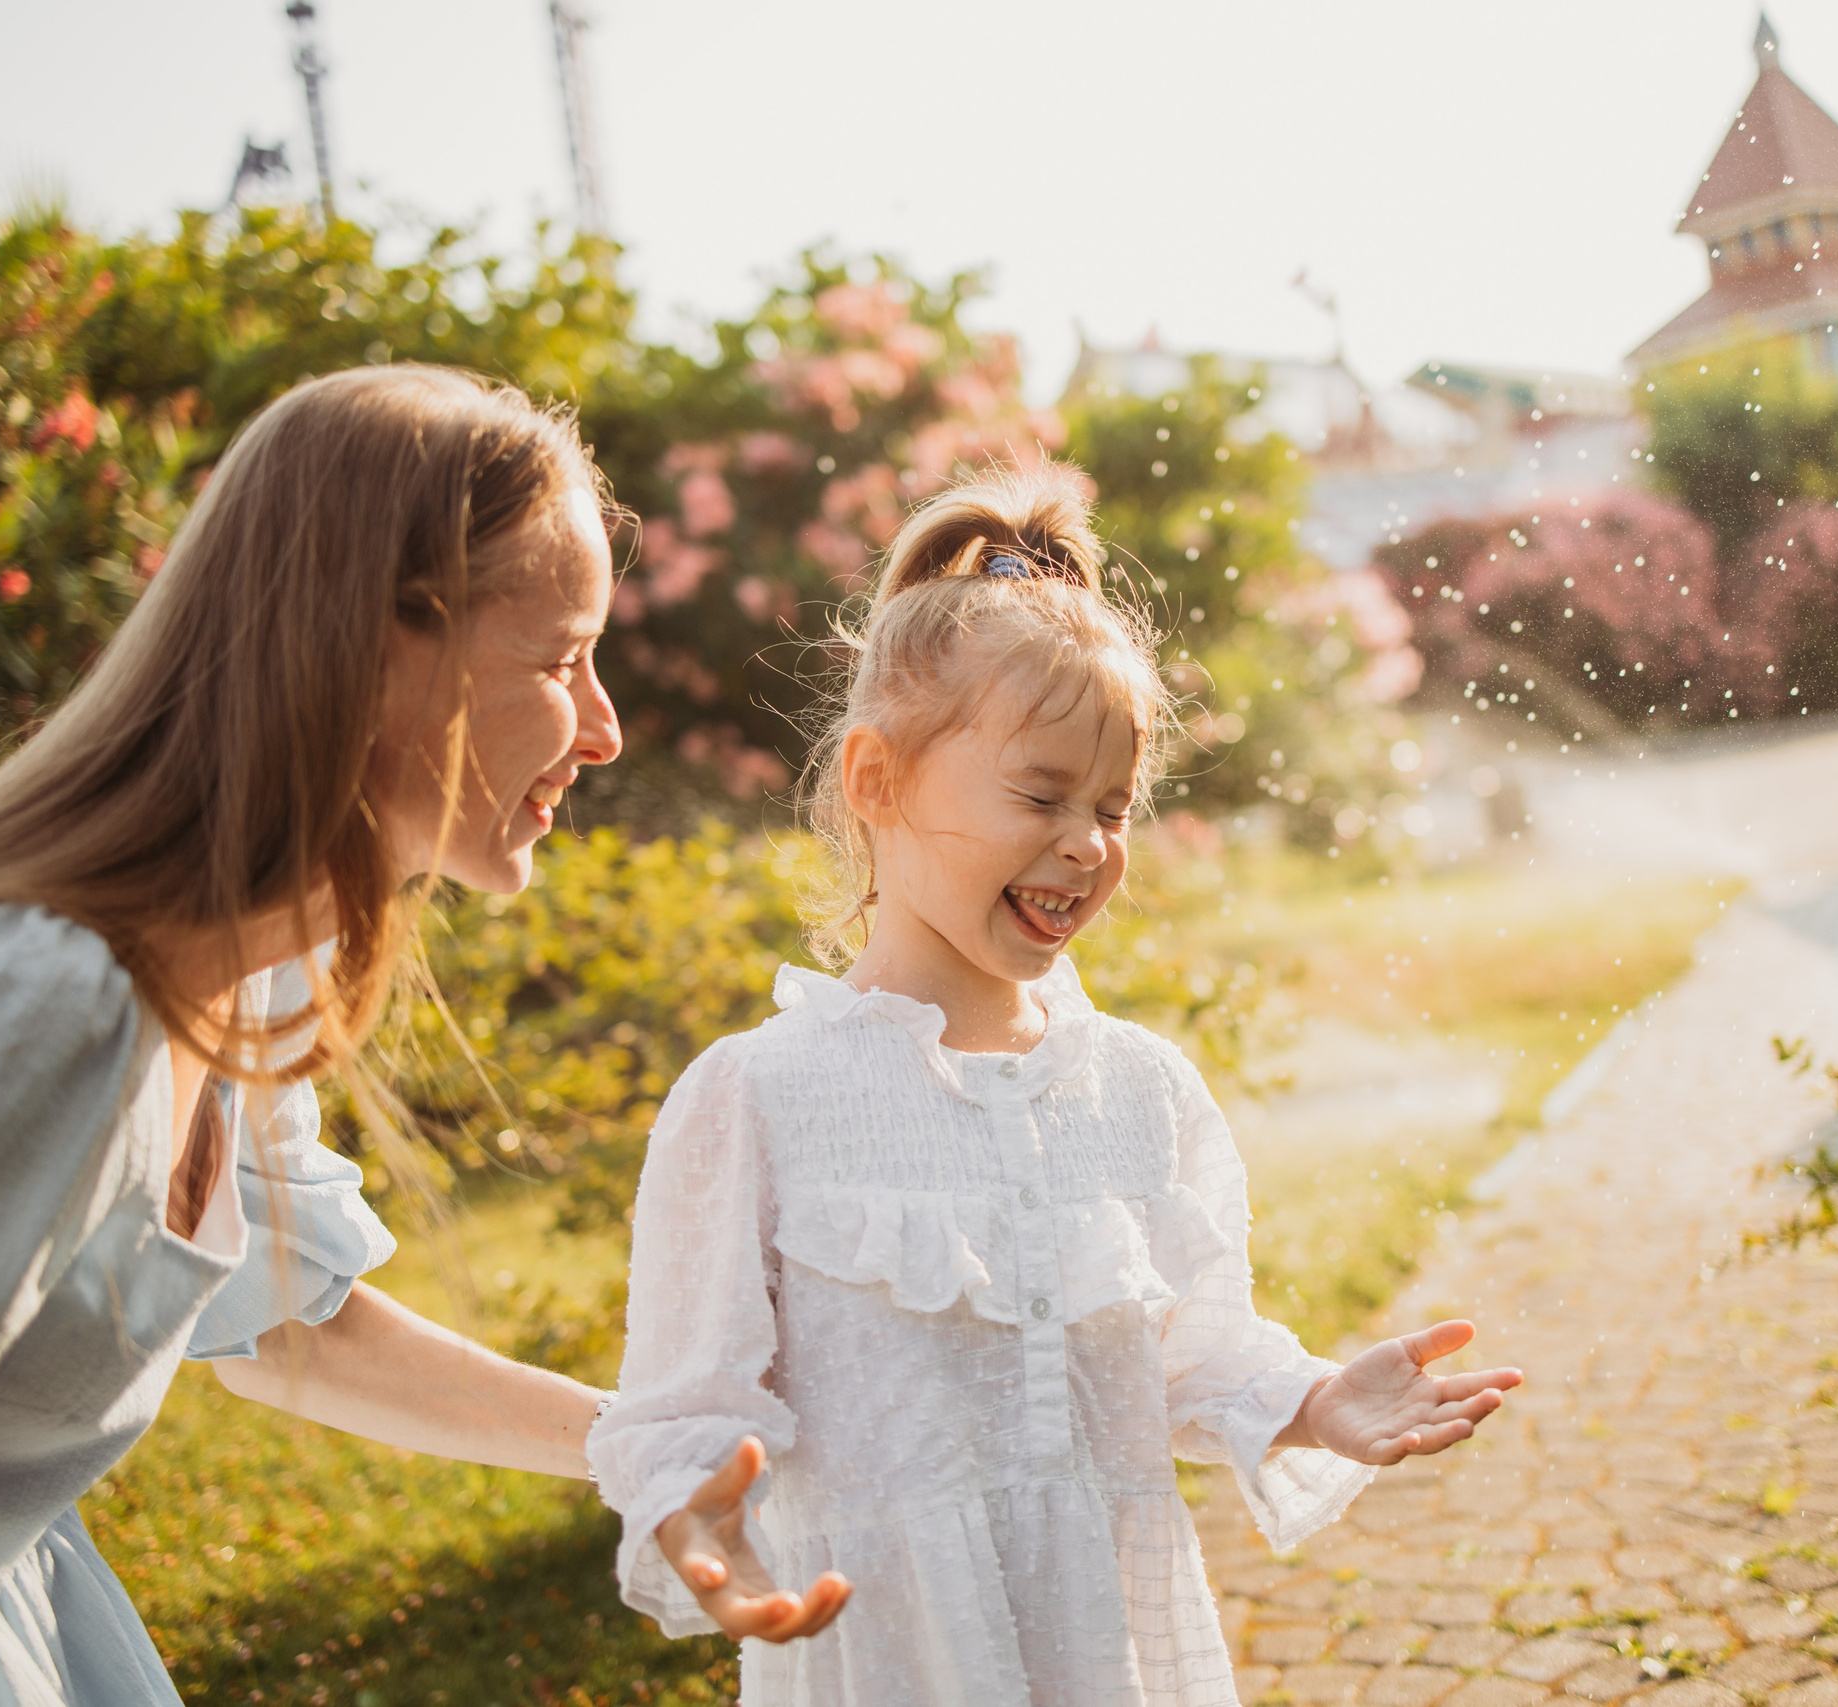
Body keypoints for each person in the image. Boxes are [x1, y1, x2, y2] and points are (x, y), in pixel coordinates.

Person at [0, 366, 844, 1707]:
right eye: (561, 658)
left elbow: (293, 1330)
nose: (602, 727)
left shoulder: (251, 979)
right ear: (372, 647)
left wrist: (656, 1458)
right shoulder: (50, 996)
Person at [586, 465, 1523, 1705]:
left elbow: (1187, 1350)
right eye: (1040, 795)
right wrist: (693, 1524)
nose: (1086, 843)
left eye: (1114, 807)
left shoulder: (1138, 1088)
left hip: (1105, 1652)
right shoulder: (763, 1096)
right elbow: (681, 1403)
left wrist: (1309, 1399)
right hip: (886, 1662)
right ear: (875, 783)